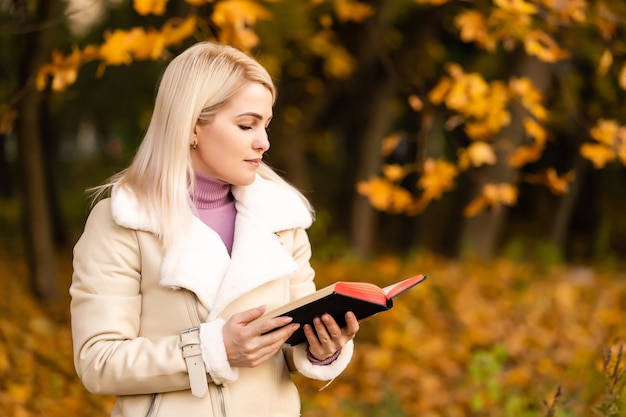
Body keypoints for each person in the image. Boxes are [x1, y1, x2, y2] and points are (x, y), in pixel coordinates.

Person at [70, 41, 360, 417]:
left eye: (265, 124)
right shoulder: (123, 221)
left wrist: (322, 348)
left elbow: (289, 346)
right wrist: (212, 350)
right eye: (246, 124)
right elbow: (99, 362)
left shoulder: (282, 219)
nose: (264, 142)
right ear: (191, 127)